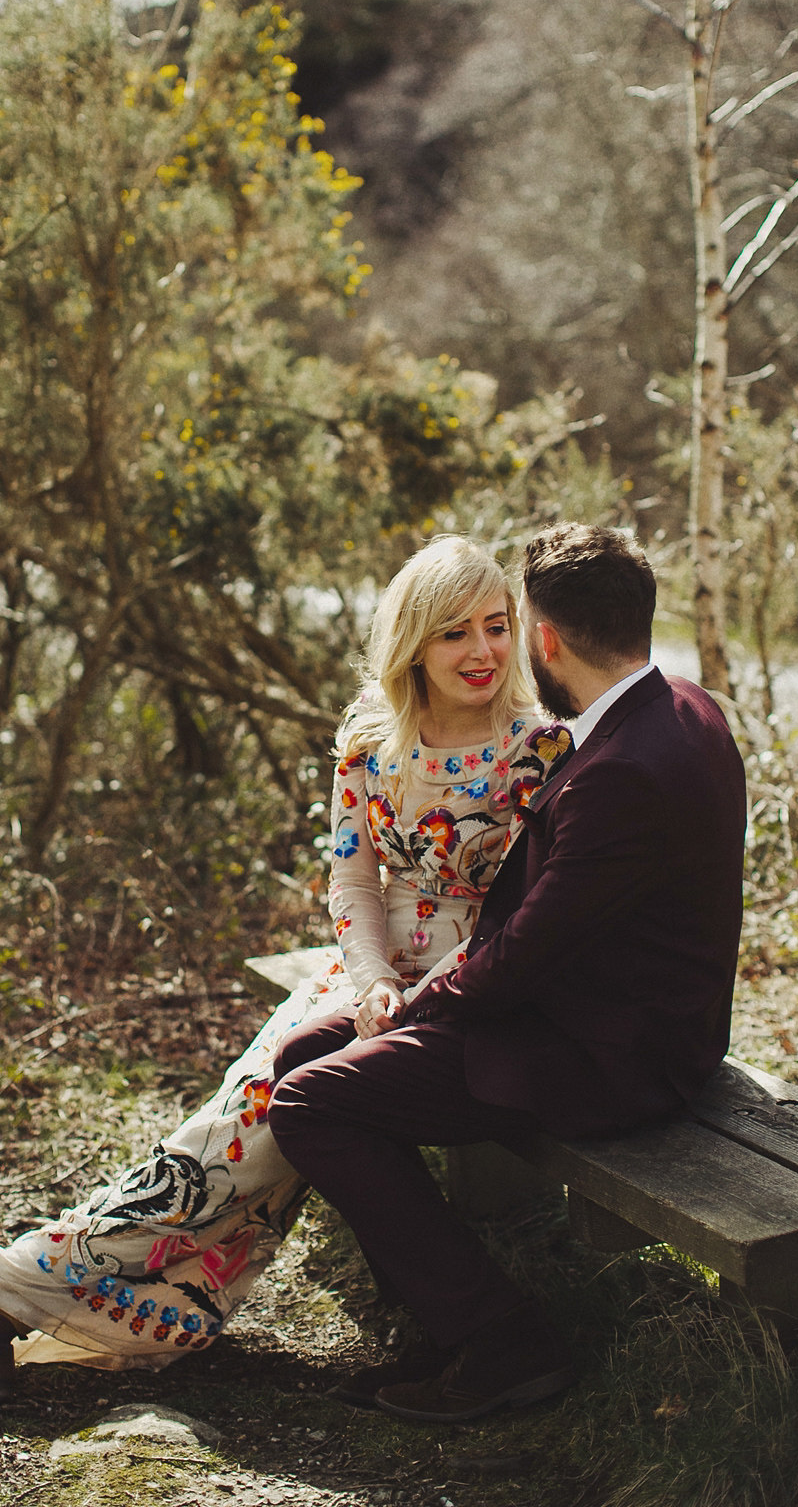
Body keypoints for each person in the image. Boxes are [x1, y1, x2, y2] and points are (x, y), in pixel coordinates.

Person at [0, 535, 573, 1399]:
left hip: (464, 984)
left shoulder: (538, 750)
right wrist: (369, 979)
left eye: (496, 626)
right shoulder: (371, 742)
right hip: (366, 977)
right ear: (413, 641)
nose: (482, 652)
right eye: (455, 633)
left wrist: (417, 994)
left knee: (231, 1142)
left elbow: (535, 907)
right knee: (233, 1128)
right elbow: (354, 878)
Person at [266, 522, 747, 1423]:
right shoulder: (681, 706)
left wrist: (410, 1009)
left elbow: (524, 954)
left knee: (308, 1102)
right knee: (301, 1059)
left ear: (546, 637)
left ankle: (502, 1344)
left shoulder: (621, 770)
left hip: (608, 1052)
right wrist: (397, 1001)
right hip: (589, 1007)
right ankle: (438, 1320)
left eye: (509, 626)